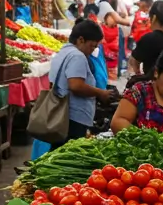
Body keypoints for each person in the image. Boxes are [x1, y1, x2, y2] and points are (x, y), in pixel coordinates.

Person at [45, 18, 115, 147]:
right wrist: (100, 93)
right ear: (81, 40)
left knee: (59, 154)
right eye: (92, 46)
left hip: (62, 115)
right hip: (73, 118)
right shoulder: (78, 56)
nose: (92, 50)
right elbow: (75, 85)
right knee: (68, 156)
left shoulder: (63, 52)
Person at [128, 0, 163, 81]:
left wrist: (138, 77)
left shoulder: (150, 38)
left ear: (154, 18)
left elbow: (133, 62)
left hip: (155, 87)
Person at [99, 10, 121, 79]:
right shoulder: (101, 28)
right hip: (104, 55)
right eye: (110, 18)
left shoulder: (118, 29)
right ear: (106, 19)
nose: (112, 20)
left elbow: (118, 43)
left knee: (113, 76)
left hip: (114, 57)